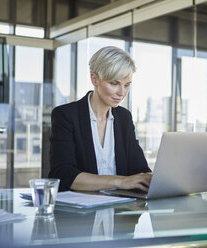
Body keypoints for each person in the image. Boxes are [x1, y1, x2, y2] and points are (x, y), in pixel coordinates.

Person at [49, 46, 152, 192]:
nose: (122, 92)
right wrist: (119, 181)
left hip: (120, 209)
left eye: (127, 85)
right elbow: (63, 174)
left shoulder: (124, 118)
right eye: (114, 83)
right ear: (94, 79)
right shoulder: (66, 115)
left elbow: (139, 169)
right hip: (82, 211)